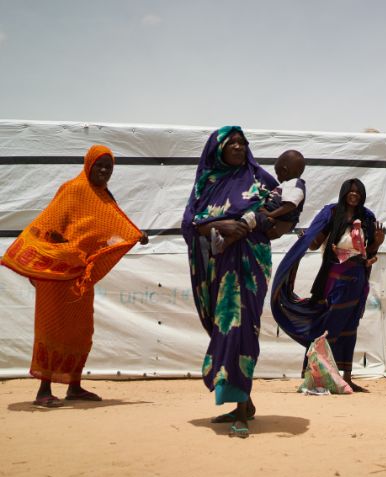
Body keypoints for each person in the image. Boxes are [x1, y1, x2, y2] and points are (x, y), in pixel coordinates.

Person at [1, 145, 148, 407]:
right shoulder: (73, 189)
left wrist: (136, 235)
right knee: (52, 329)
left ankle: (74, 387)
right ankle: (43, 390)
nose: (104, 171)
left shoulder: (104, 197)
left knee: (81, 331)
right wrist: (65, 249)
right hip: (56, 275)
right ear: (88, 164)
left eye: (109, 167)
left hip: (80, 276)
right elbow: (48, 226)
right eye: (99, 165)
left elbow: (117, 226)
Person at [181, 126, 281, 438]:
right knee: (224, 327)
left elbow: (280, 216)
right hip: (218, 266)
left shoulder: (261, 180)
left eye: (242, 142)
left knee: (240, 328)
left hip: (250, 267)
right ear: (218, 148)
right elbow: (189, 223)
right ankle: (244, 402)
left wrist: (249, 225)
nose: (238, 147)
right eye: (231, 143)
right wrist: (219, 224)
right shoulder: (206, 184)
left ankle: (240, 411)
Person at [271, 179, 384, 393]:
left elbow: (369, 253)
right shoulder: (332, 213)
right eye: (350, 191)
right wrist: (308, 236)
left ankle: (347, 378)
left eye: (358, 192)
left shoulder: (367, 217)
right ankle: (316, 375)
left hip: (357, 277)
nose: (354, 195)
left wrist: (377, 242)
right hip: (335, 279)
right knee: (328, 327)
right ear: (343, 193)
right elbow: (315, 244)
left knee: (350, 327)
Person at [211, 149, 306, 252]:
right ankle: (223, 240)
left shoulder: (296, 184)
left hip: (269, 219)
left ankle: (224, 242)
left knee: (247, 220)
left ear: (284, 170)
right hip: (270, 219)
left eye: (278, 174)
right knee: (245, 224)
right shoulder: (288, 184)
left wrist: (271, 214)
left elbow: (291, 206)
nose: (278, 178)